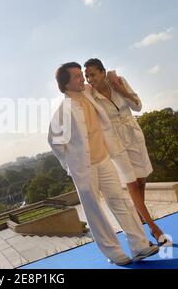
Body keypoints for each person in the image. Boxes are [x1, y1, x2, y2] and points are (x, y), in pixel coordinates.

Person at [48, 62, 159, 265]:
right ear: (65, 84)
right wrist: (71, 164)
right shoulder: (64, 111)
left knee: (121, 202)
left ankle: (140, 245)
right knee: (96, 213)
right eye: (77, 76)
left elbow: (107, 75)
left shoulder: (89, 92)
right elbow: (54, 142)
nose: (83, 78)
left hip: (105, 160)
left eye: (82, 75)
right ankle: (114, 253)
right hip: (85, 168)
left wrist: (114, 77)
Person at [84, 58, 169, 247]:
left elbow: (138, 106)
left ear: (103, 72)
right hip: (114, 142)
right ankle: (155, 229)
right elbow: (72, 88)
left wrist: (122, 90)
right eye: (87, 76)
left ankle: (139, 226)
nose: (89, 79)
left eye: (92, 74)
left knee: (141, 181)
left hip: (133, 135)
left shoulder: (119, 81)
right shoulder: (89, 93)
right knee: (131, 184)